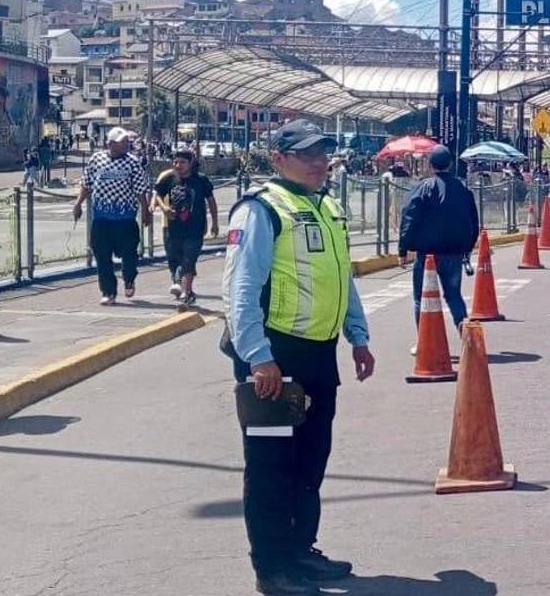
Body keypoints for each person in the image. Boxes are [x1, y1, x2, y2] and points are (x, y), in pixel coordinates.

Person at [222, 119, 375, 596]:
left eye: (322, 153)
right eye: (306, 154)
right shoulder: (260, 211)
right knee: (271, 465)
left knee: (311, 460)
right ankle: (272, 567)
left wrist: (358, 335)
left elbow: (341, 276)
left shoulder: (327, 206)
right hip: (275, 357)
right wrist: (258, 358)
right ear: (279, 158)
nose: (318, 162)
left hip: (317, 355)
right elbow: (240, 290)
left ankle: (300, 550)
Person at [397, 145, 479, 355]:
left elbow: (409, 217)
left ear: (430, 164)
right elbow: (473, 221)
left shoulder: (424, 187)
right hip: (454, 253)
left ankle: (425, 341)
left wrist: (403, 249)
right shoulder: (462, 189)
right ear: (451, 164)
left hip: (428, 256)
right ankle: (466, 336)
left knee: (421, 298)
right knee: (454, 296)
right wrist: (468, 248)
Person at [73, 127, 151, 306]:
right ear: (110, 144)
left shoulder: (132, 162)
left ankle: (129, 278)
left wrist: (145, 210)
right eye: (121, 142)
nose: (125, 144)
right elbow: (87, 183)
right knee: (102, 255)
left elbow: (140, 190)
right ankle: (108, 291)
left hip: (125, 219)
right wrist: (78, 204)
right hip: (102, 219)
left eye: (126, 142)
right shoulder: (96, 159)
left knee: (129, 254)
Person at [152, 149, 218, 305]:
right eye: (175, 162)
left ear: (190, 163)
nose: (178, 165)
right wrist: (164, 208)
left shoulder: (201, 180)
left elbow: (211, 201)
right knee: (174, 259)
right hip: (173, 228)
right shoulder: (169, 179)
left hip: (195, 228)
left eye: (182, 162)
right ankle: (185, 288)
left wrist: (214, 223)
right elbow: (158, 194)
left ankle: (185, 292)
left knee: (189, 259)